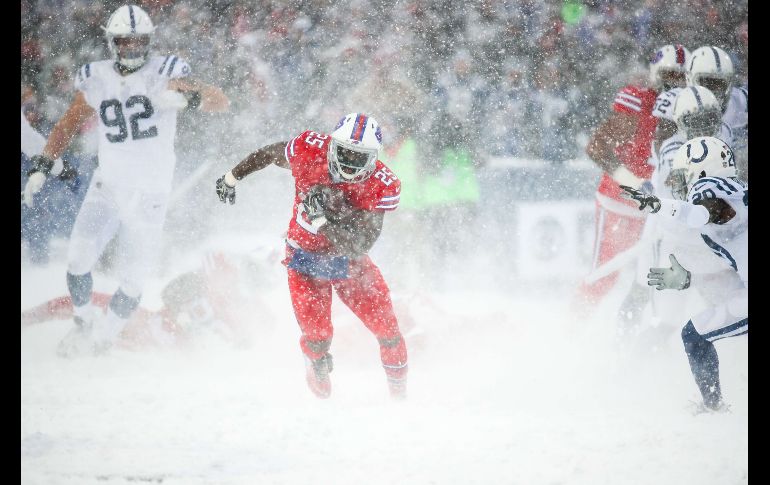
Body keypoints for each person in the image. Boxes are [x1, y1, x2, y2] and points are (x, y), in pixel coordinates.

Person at [22, 4, 229, 357]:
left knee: (134, 279)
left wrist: (189, 99)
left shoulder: (164, 72)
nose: (131, 48)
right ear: (112, 42)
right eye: (124, 41)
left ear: (147, 41)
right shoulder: (97, 76)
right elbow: (69, 123)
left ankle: (104, 338)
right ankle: (84, 324)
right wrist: (43, 164)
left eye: (137, 41)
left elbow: (220, 101)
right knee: (77, 260)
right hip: (108, 186)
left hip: (150, 193)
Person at [214, 113, 408, 400]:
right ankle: (315, 363)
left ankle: (400, 398)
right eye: (345, 153)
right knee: (318, 338)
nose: (349, 163)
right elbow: (270, 154)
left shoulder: (382, 184)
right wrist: (232, 177)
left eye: (359, 157)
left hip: (349, 263)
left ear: (373, 158)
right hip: (304, 260)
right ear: (332, 145)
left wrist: (323, 223)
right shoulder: (310, 149)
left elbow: (359, 245)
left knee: (388, 331)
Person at [620, 136, 747, 412]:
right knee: (696, 332)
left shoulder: (712, 191)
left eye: (685, 175)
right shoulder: (733, 194)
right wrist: (689, 280)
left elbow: (701, 213)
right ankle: (714, 405)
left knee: (694, 335)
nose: (680, 183)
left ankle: (713, 407)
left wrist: (658, 205)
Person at [575, 44, 690, 319]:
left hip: (658, 213)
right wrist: (633, 183)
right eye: (668, 74)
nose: (673, 83)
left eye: (679, 76)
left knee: (652, 282)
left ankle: (634, 335)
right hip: (620, 204)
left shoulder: (691, 108)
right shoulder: (638, 101)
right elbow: (597, 148)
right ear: (656, 73)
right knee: (604, 276)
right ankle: (572, 328)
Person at [686, 45, 748, 180]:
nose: (713, 91)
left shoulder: (740, 101)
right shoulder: (681, 107)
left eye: (719, 83)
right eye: (707, 82)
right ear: (690, 79)